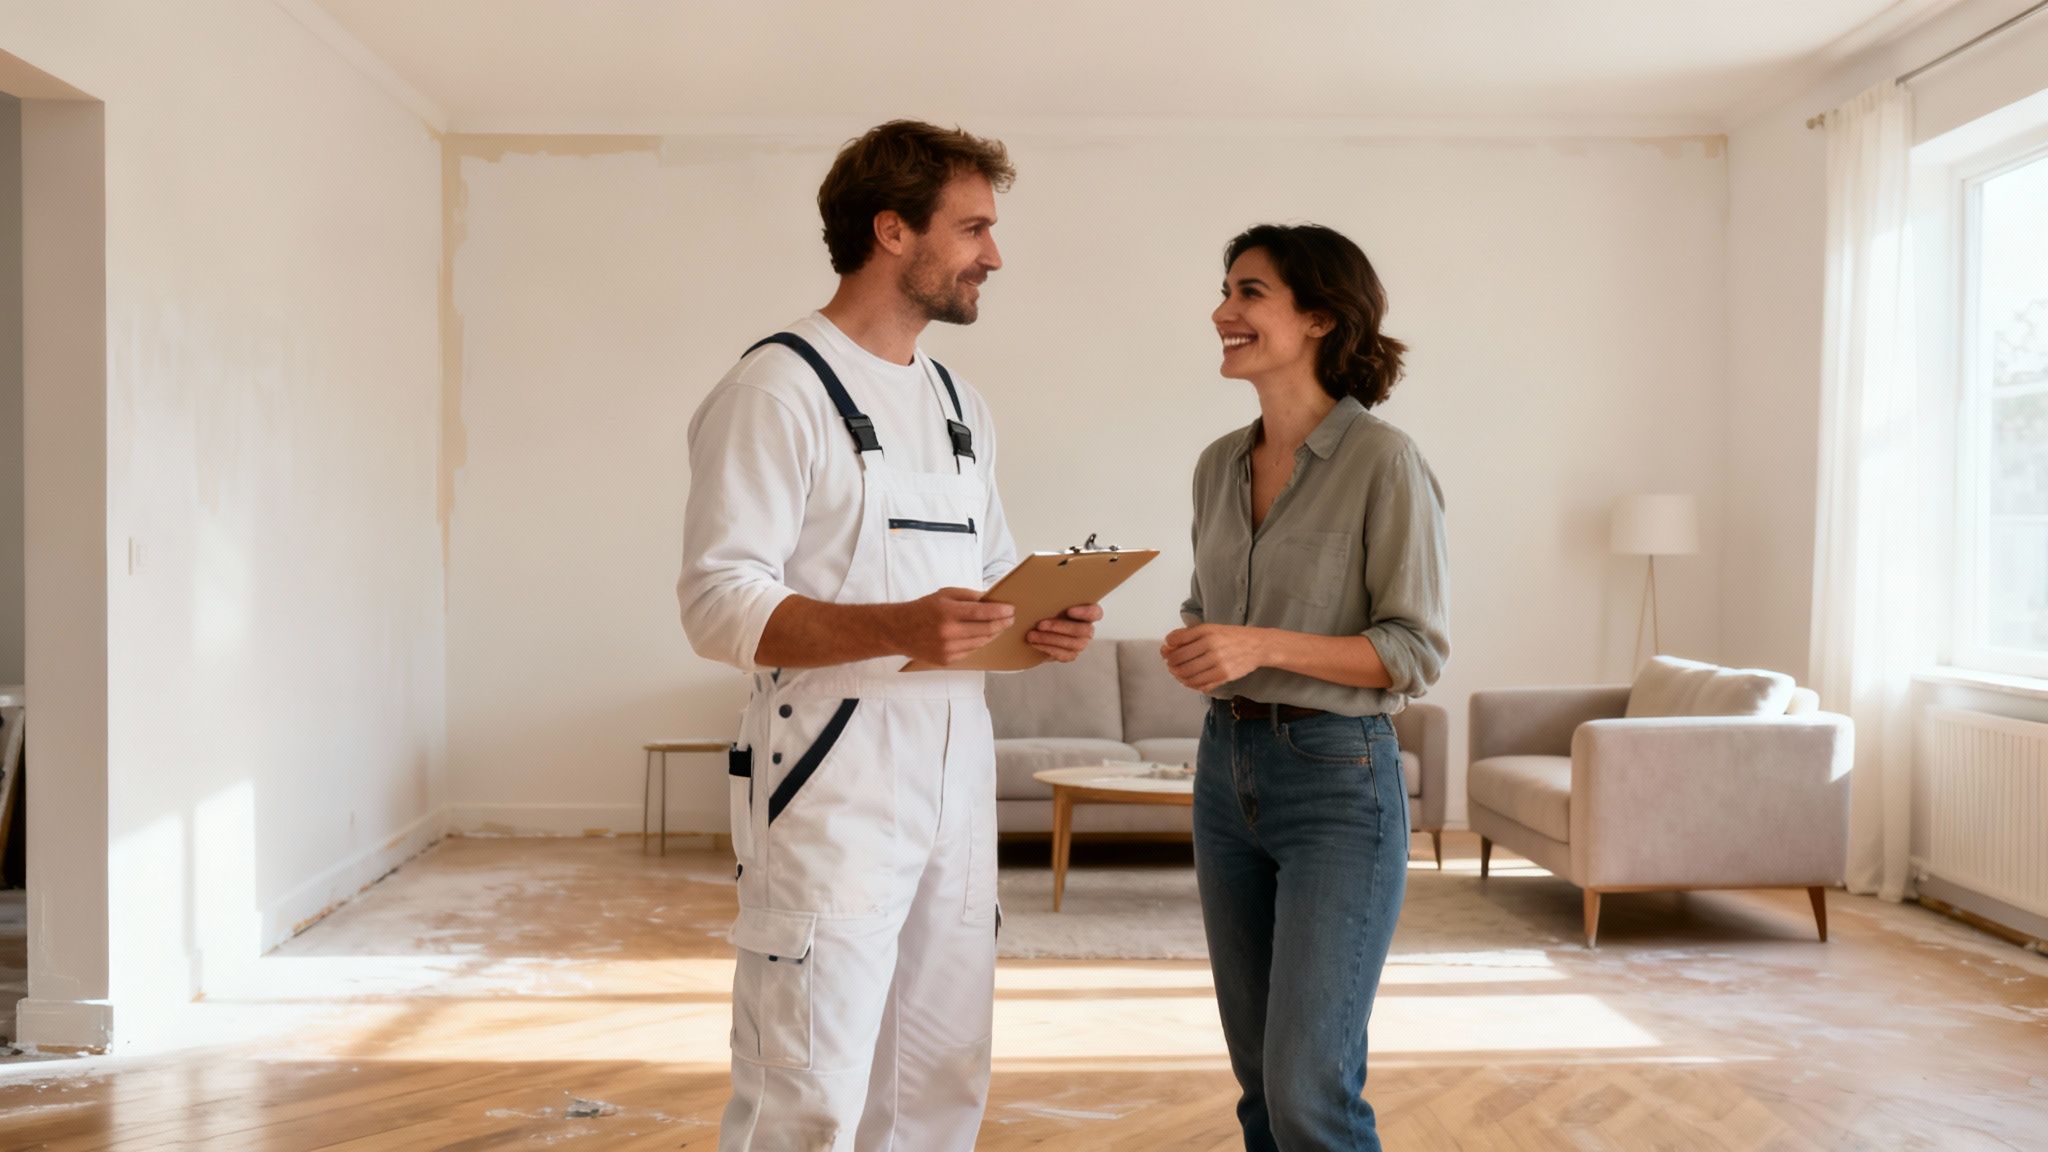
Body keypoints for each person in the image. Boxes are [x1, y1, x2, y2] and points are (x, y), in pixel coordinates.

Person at [677, 120, 1101, 1151]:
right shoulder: (776, 389)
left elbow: (988, 574)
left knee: (936, 1066)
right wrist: (900, 625)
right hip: (832, 770)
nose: (992, 256)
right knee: (808, 1078)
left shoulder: (959, 402)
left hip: (955, 767)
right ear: (892, 232)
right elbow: (716, 601)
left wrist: (1037, 616)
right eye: (972, 229)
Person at [1163, 223, 1450, 1151]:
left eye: (1249, 293)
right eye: (1226, 291)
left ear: (1321, 316)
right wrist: (1200, 648)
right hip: (1224, 771)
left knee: (1308, 1091)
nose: (1223, 312)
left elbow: (1414, 649)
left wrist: (1256, 645)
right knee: (1258, 1085)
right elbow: (1209, 612)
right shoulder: (1215, 465)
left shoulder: (1385, 461)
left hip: (1337, 780)